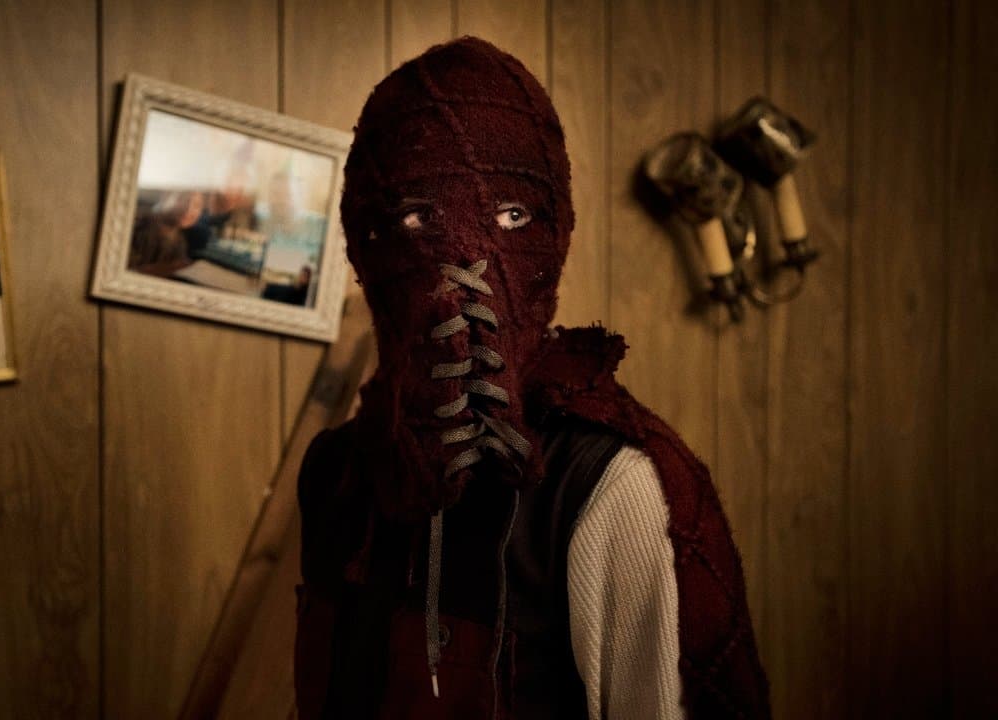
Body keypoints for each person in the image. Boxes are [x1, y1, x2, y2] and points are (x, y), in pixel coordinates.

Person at [293, 37, 769, 719]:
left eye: (510, 216)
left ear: (555, 230)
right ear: (365, 238)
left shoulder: (610, 484)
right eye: (415, 216)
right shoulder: (334, 472)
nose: (463, 253)